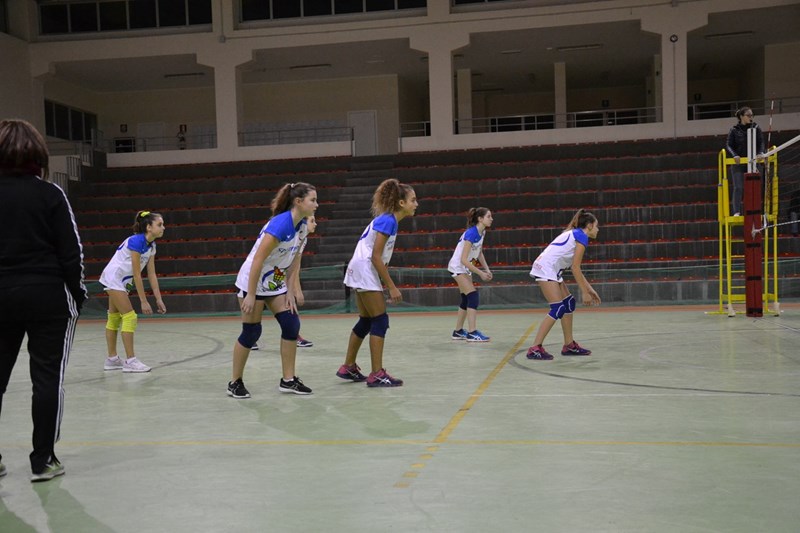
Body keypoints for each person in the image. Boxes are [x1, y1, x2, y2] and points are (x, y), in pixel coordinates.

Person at [0, 118, 87, 482]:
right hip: (48, 296)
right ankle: (43, 460)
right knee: (47, 378)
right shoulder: (51, 194)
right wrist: (77, 294)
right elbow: (71, 253)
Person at [227, 182, 318, 399]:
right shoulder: (280, 224)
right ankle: (234, 382)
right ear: (298, 202)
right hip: (253, 279)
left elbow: (294, 259)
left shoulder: (302, 226)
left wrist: (289, 290)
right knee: (251, 332)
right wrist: (251, 294)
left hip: (274, 278)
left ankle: (288, 380)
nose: (317, 204)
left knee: (291, 323)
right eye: (313, 200)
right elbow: (258, 259)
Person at [337, 178, 418, 387]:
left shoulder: (388, 220)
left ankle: (348, 367)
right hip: (365, 269)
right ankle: (377, 374)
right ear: (401, 203)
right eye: (413, 200)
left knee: (366, 321)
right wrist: (391, 286)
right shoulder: (388, 221)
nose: (416, 204)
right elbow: (375, 256)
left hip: (360, 269)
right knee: (380, 320)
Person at [527, 209, 601, 360]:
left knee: (568, 303)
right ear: (589, 226)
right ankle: (535, 348)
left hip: (552, 269)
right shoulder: (581, 236)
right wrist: (584, 292)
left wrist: (590, 289)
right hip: (546, 268)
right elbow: (575, 267)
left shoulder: (576, 234)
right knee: (558, 308)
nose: (598, 229)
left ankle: (569, 345)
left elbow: (576, 269)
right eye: (596, 226)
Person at [100, 211, 167, 373]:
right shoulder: (136, 241)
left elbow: (151, 274)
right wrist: (143, 301)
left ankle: (112, 359)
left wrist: (158, 298)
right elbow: (137, 274)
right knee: (130, 317)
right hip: (114, 278)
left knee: (114, 317)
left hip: (121, 281)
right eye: (159, 225)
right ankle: (130, 361)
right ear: (149, 227)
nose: (163, 227)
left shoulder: (152, 246)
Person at [251, 216, 316, 351]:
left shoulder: (302, 237)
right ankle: (251, 338)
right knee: (252, 326)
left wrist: (293, 290)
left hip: (278, 273)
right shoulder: (284, 230)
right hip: (263, 274)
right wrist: (296, 290)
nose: (315, 224)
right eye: (312, 221)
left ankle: (295, 336)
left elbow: (295, 264)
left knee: (290, 315)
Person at [447, 207, 494, 342]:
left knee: (466, 298)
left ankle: (458, 331)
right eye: (489, 216)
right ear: (480, 219)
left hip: (465, 268)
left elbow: (479, 253)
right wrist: (480, 273)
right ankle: (472, 332)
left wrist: (487, 269)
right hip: (458, 267)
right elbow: (463, 259)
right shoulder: (471, 233)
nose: (491, 219)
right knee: (473, 296)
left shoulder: (482, 232)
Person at [725, 106, 765, 217]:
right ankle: (736, 211)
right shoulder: (734, 130)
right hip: (739, 163)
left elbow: (761, 142)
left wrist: (761, 153)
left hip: (753, 162)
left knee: (756, 187)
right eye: (748, 115)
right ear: (742, 116)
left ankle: (757, 210)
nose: (751, 117)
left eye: (752, 115)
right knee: (738, 187)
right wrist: (734, 155)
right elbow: (728, 145)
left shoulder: (756, 128)